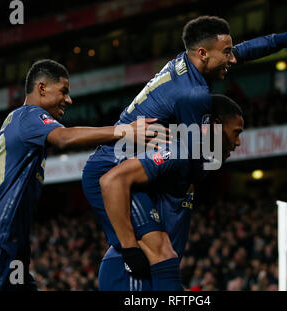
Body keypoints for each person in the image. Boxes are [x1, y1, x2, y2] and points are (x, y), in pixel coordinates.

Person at [81, 16, 287, 290]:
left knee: (163, 250)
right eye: (227, 53)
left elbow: (249, 49)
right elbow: (198, 159)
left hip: (133, 164)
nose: (232, 59)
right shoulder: (193, 95)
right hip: (111, 171)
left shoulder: (191, 64)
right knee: (159, 253)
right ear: (203, 53)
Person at [0, 59, 168, 291]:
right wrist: (126, 131)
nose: (69, 100)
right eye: (63, 91)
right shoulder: (29, 115)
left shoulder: (16, 121)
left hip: (11, 247)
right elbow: (65, 137)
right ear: (41, 88)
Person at [98, 94, 243, 290]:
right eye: (236, 132)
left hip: (153, 273)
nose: (238, 142)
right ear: (215, 125)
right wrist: (130, 249)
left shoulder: (197, 165)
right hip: (131, 272)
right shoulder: (176, 151)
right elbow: (112, 180)